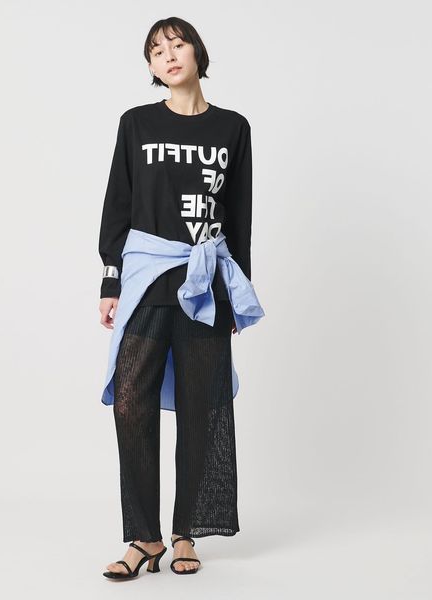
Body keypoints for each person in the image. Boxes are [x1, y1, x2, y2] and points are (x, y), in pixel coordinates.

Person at [98, 17, 265, 580]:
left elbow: (238, 217)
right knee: (131, 401)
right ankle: (143, 537)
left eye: (177, 44)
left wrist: (237, 290)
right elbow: (118, 203)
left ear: (197, 52)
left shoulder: (233, 128)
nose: (168, 55)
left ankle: (185, 532)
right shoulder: (136, 124)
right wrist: (110, 279)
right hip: (147, 276)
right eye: (156, 51)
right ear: (151, 67)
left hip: (205, 285)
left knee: (200, 409)